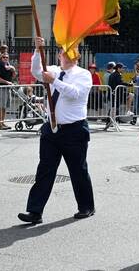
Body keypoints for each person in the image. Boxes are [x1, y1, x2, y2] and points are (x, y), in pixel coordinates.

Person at [18, 37, 94, 224]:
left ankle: (86, 206)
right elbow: (36, 71)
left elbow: (76, 93)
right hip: (51, 129)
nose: (65, 55)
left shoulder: (83, 74)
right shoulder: (53, 70)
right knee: (45, 170)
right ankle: (35, 211)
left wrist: (55, 82)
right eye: (63, 51)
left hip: (74, 130)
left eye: (70, 51)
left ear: (77, 55)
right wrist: (37, 50)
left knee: (78, 170)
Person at [0, 53, 15, 130]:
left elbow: (13, 76)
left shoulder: (8, 65)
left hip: (7, 88)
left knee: (4, 106)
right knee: (0, 106)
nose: (5, 58)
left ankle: (2, 122)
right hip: (1, 87)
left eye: (7, 57)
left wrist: (13, 69)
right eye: (4, 57)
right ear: (1, 58)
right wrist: (6, 82)